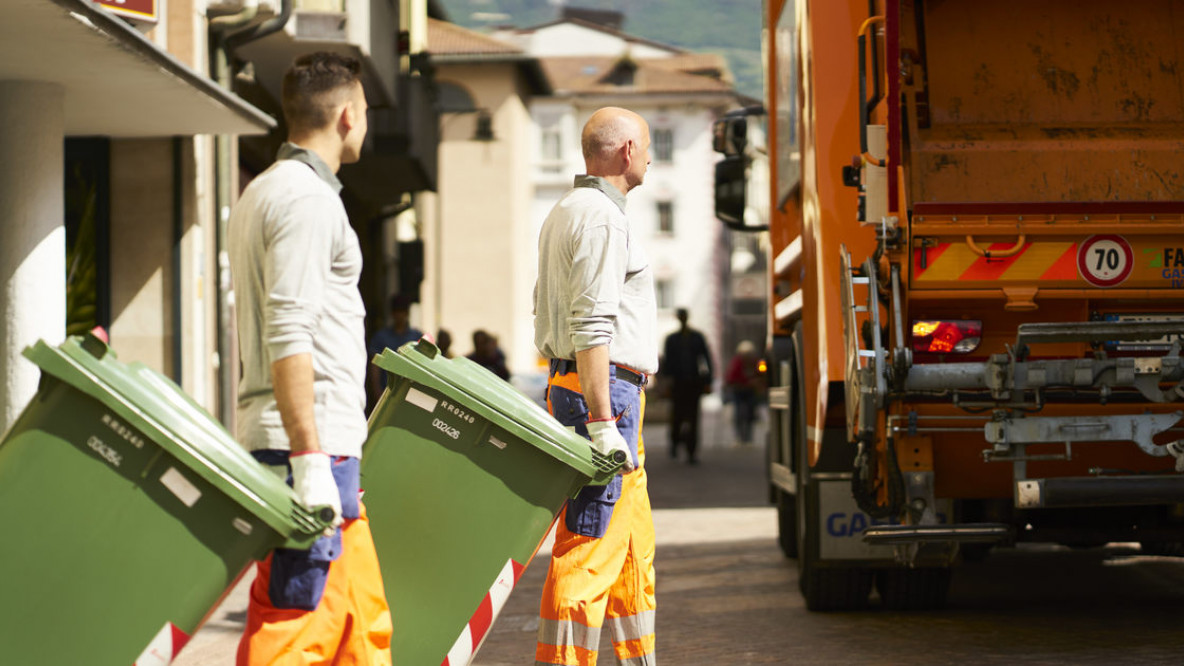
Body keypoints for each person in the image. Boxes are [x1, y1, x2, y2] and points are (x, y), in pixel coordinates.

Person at [227, 51, 392, 665]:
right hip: (312, 444)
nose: (366, 123)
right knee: (296, 630)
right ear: (348, 115)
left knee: (361, 628)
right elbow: (288, 327)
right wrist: (309, 458)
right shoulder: (306, 201)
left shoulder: (265, 192)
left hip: (317, 442)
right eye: (367, 112)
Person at [533, 106, 658, 666]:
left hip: (590, 390)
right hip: (604, 398)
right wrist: (604, 423)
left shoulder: (565, 211)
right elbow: (591, 326)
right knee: (588, 550)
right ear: (628, 150)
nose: (651, 157)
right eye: (649, 145)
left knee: (630, 551)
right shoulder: (604, 218)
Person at [662, 307, 713, 464]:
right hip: (678, 384)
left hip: (693, 383)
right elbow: (667, 364)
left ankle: (691, 451)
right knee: (677, 417)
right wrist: (666, 384)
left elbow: (706, 360)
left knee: (693, 418)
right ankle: (675, 442)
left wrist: (707, 381)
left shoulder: (697, 337)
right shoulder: (672, 339)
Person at [367, 293, 422, 400]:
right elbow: (375, 368)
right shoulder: (381, 337)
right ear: (392, 313)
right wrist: (378, 394)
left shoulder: (417, 337)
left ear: (407, 313)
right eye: (398, 312)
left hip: (411, 395)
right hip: (386, 393)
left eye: (403, 312)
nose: (400, 316)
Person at [725, 340, 765, 445]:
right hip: (738, 390)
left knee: (750, 413)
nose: (747, 356)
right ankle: (739, 436)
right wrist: (747, 382)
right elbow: (731, 377)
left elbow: (762, 374)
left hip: (750, 391)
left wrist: (759, 383)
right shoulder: (737, 363)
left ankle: (748, 437)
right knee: (738, 413)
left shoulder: (756, 362)